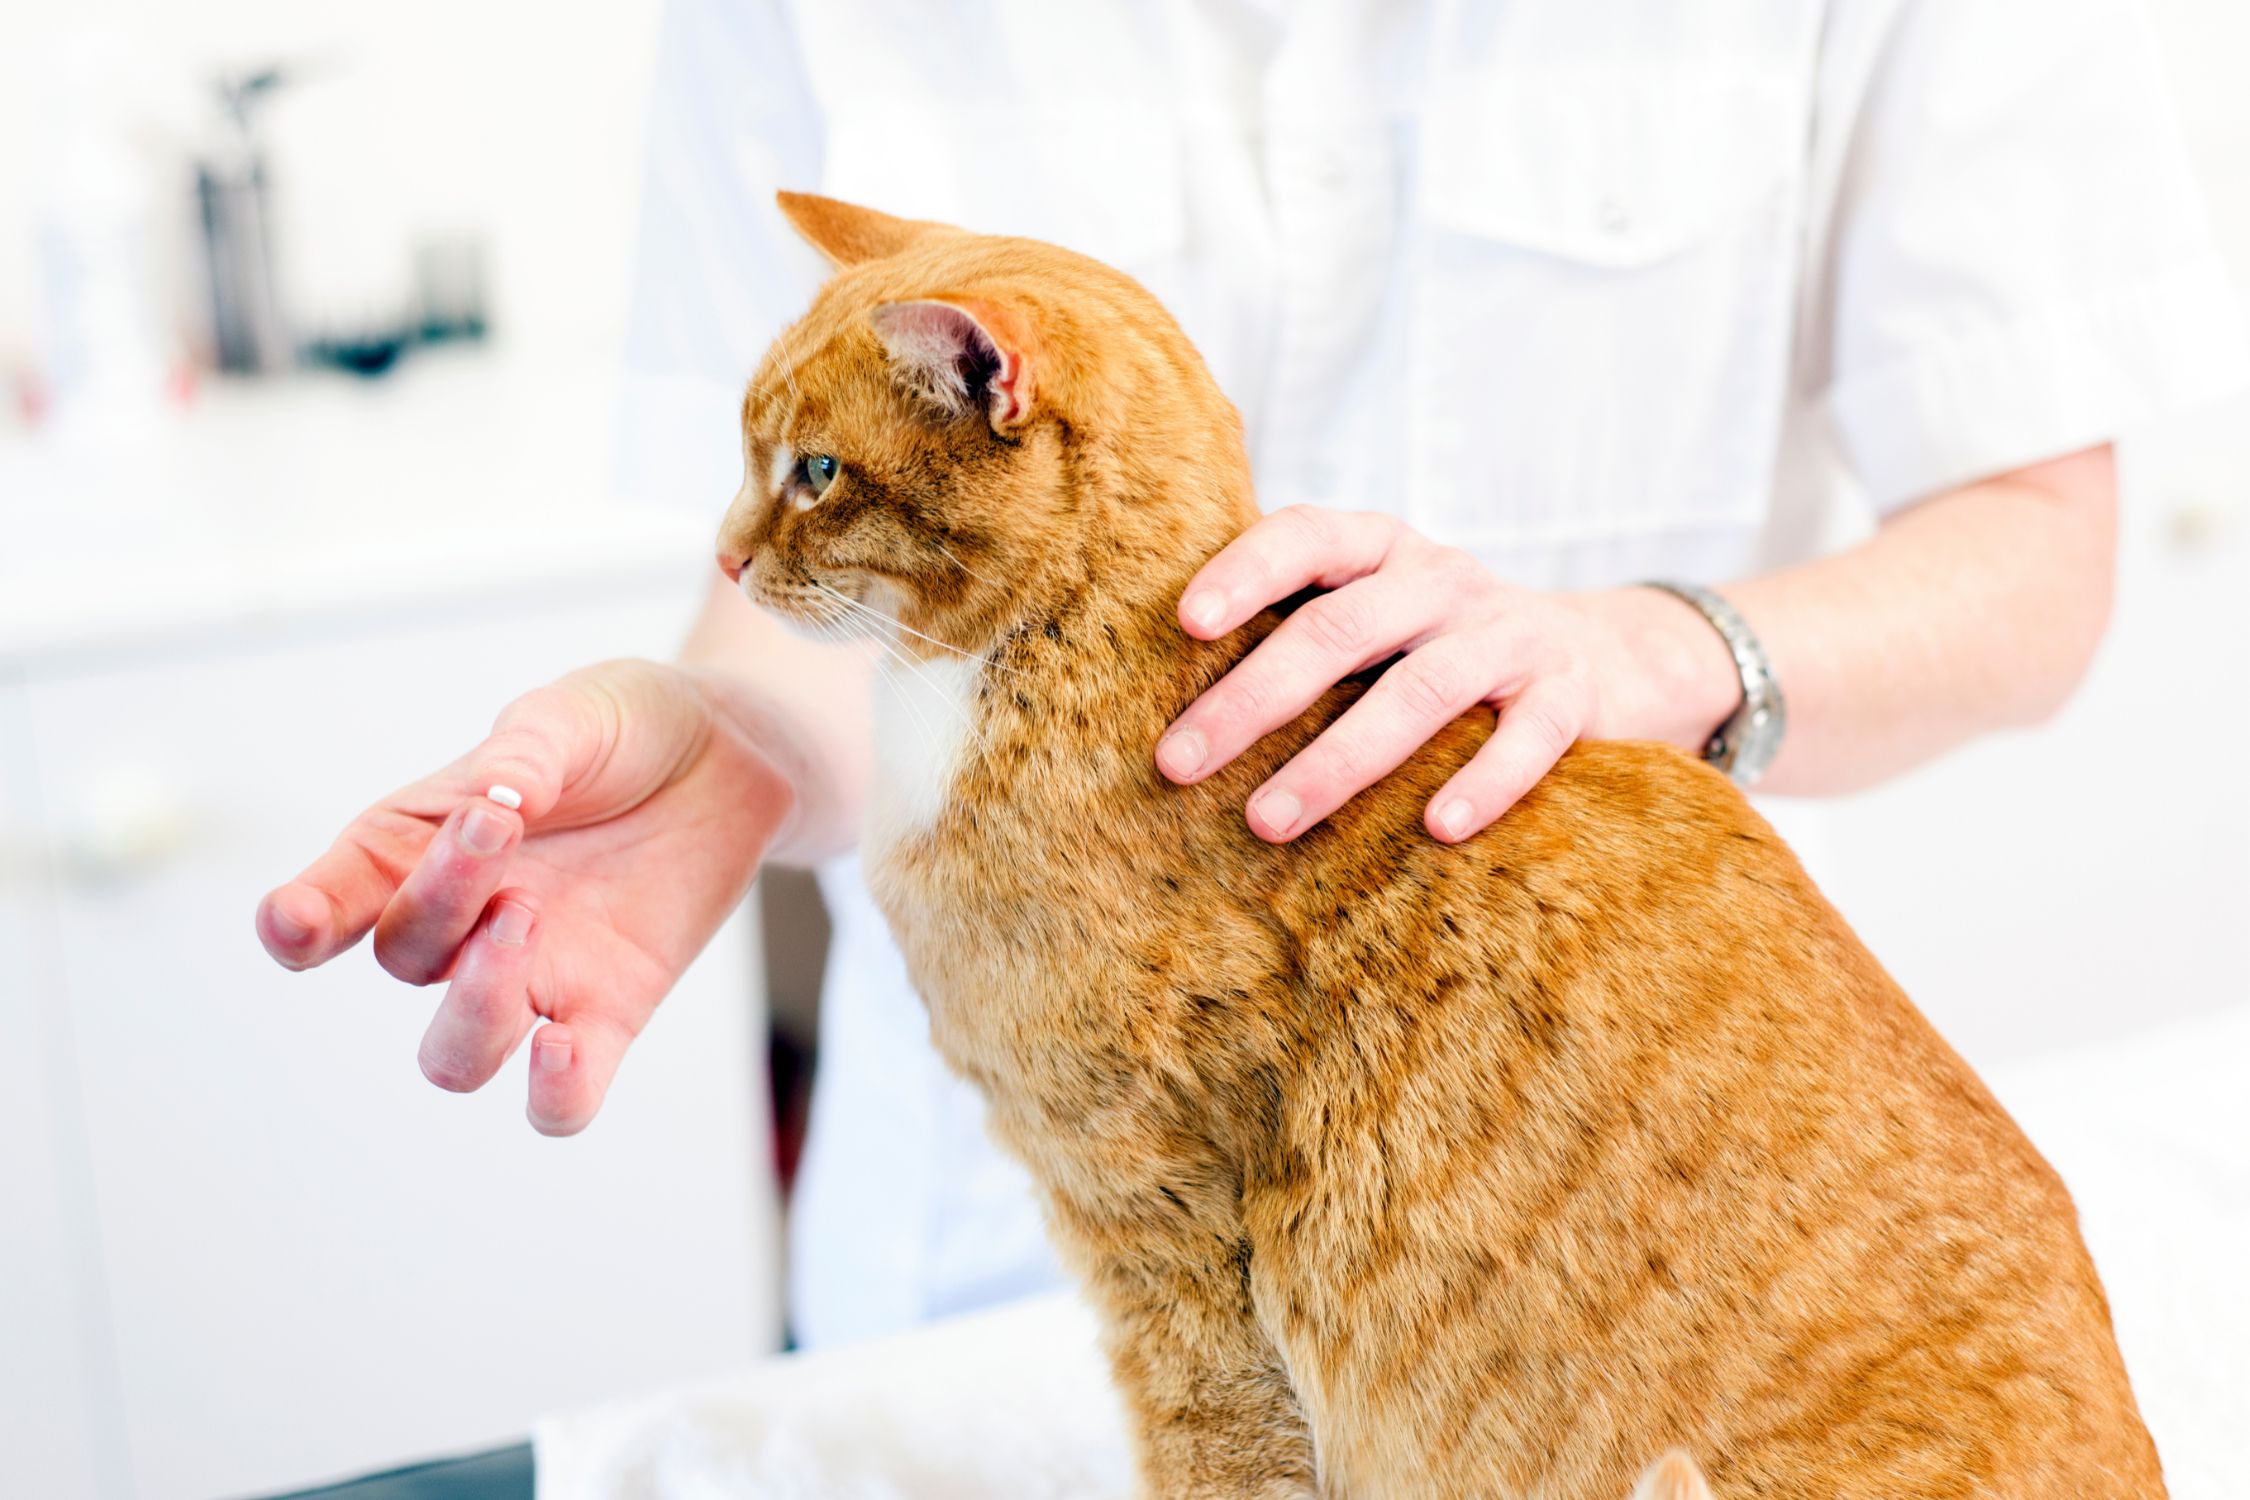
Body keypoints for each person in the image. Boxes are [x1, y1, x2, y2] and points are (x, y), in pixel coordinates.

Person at [257, 0, 2243, 1352]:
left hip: (1604, 1201)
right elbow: (844, 582)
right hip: (1014, 1259)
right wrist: (732, 749)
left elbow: (2035, 548)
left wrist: (1652, 653)